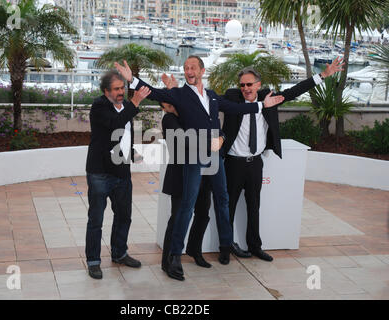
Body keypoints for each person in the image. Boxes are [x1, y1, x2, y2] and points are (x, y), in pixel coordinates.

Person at [115, 56, 285, 280]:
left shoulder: (212, 96)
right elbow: (154, 92)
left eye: (193, 67)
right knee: (186, 207)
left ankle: (226, 247)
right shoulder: (179, 94)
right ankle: (175, 257)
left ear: (202, 71)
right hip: (193, 159)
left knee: (222, 200)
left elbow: (235, 109)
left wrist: (261, 106)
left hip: (215, 158)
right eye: (186, 68)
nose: (189, 71)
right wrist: (133, 80)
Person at [221, 58, 344, 262]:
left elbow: (294, 91)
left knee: (254, 207)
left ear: (258, 85)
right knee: (229, 207)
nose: (245, 88)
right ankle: (225, 249)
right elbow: (210, 101)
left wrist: (322, 75)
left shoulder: (268, 97)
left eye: (249, 84)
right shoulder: (233, 98)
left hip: (255, 163)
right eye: (242, 85)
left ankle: (255, 247)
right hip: (233, 163)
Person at [85, 70, 151, 279]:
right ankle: (94, 261)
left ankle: (119, 253)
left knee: (124, 216)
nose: (121, 92)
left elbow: (122, 136)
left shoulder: (124, 108)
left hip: (122, 171)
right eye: (116, 89)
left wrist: (131, 152)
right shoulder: (99, 106)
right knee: (96, 219)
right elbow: (115, 124)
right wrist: (135, 102)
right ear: (106, 91)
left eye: (122, 88)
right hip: (100, 173)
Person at [160, 100, 213, 281]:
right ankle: (168, 261)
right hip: (181, 175)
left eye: (174, 103)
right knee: (177, 217)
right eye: (169, 105)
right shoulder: (169, 120)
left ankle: (194, 250)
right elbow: (186, 140)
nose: (174, 106)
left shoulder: (191, 116)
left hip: (202, 172)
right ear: (164, 108)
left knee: (203, 213)